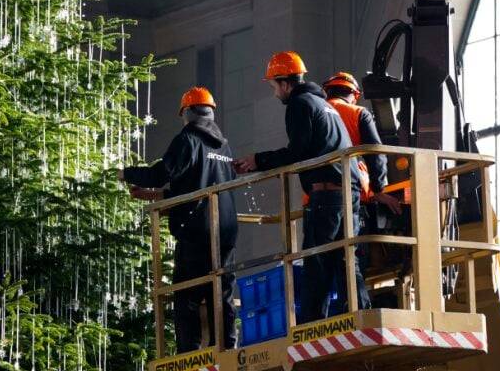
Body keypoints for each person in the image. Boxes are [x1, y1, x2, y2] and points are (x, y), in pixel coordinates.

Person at [234, 52, 370, 323]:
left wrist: (257, 161)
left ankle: (312, 325)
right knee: (347, 259)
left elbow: (298, 152)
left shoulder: (298, 104)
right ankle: (361, 316)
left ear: (286, 83)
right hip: (349, 192)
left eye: (274, 86)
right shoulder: (324, 105)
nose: (274, 93)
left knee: (316, 261)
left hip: (327, 196)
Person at [121, 87, 238, 352]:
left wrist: (126, 174)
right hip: (226, 231)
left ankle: (190, 353)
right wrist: (156, 195)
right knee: (220, 291)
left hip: (196, 230)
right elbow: (199, 185)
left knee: (187, 294)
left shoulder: (188, 139)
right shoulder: (224, 145)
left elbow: (160, 173)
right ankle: (227, 347)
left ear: (187, 112)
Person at [321, 72, 401, 214]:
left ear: (327, 92)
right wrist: (378, 189)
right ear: (354, 95)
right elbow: (375, 152)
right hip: (350, 194)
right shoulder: (358, 113)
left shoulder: (315, 112)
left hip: (315, 197)